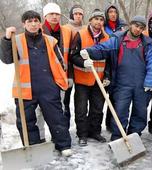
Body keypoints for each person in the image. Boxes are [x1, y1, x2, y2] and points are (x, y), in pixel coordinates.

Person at [0, 10, 72, 156]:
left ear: (40, 23)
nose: (33, 24)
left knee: (56, 117)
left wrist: (59, 82)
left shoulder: (50, 41)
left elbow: (60, 62)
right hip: (25, 89)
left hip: (48, 87)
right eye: (29, 21)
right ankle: (32, 148)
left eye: (35, 21)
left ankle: (63, 145)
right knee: (26, 122)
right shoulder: (17, 40)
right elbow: (7, 59)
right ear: (24, 24)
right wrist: (7, 39)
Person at [80, 16, 152, 141]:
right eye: (136, 26)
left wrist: (150, 81)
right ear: (130, 25)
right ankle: (118, 138)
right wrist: (88, 51)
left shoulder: (146, 43)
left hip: (141, 85)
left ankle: (134, 136)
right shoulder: (118, 39)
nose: (138, 30)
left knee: (140, 112)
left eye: (141, 28)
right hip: (122, 84)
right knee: (120, 111)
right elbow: (103, 49)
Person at [70, 9, 109, 146]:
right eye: (96, 19)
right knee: (81, 109)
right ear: (90, 20)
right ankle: (82, 134)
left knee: (97, 109)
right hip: (82, 80)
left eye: (101, 19)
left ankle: (95, 132)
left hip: (99, 80)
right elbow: (73, 56)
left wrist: (107, 76)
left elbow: (110, 59)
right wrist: (83, 63)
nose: (99, 22)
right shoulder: (80, 35)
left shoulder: (106, 38)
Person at [42, 2, 73, 128]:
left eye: (57, 14)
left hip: (63, 76)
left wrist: (70, 75)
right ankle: (44, 136)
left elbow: (70, 55)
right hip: (45, 76)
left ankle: (63, 132)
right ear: (45, 16)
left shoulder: (67, 31)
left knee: (63, 105)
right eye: (51, 14)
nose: (54, 16)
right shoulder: (38, 30)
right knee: (45, 108)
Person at [103, 4, 126, 132]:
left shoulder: (122, 28)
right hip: (106, 64)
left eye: (115, 12)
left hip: (118, 64)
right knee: (105, 97)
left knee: (116, 97)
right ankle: (104, 123)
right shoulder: (103, 28)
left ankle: (112, 123)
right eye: (110, 12)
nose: (113, 14)